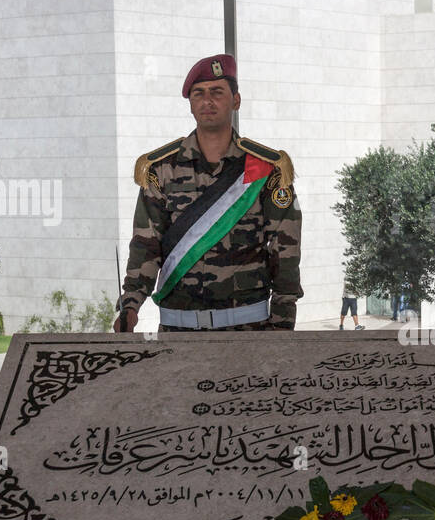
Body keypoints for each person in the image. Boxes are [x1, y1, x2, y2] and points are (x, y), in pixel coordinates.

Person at [114, 54, 302, 333]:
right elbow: (146, 244)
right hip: (178, 330)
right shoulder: (162, 169)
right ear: (190, 103)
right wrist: (131, 306)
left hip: (248, 330)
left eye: (217, 92)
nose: (207, 101)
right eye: (198, 94)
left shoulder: (265, 169)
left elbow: (285, 252)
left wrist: (283, 325)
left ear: (235, 100)